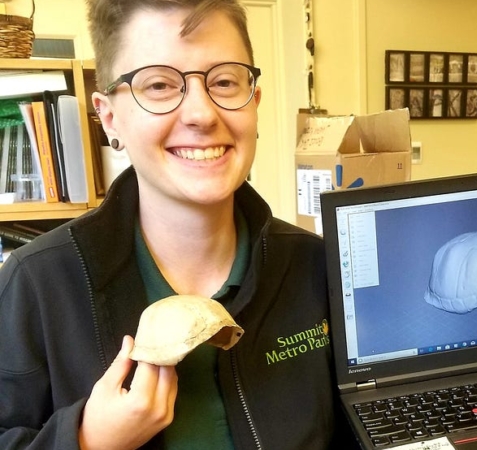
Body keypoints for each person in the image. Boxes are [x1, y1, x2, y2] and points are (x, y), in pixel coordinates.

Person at [0, 0, 349, 448]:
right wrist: (86, 440)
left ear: (254, 100)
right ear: (109, 117)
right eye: (160, 85)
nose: (202, 115)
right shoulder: (35, 285)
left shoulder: (316, 266)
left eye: (224, 81)